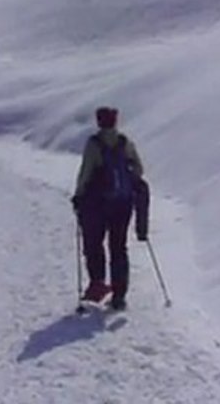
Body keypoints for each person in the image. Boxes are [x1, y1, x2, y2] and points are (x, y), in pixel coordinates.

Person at [72, 106, 148, 311]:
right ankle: (119, 295)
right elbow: (139, 170)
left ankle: (98, 284)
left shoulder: (94, 144)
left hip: (98, 204)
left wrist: (78, 196)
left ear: (99, 122)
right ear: (115, 121)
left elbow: (86, 173)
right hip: (123, 204)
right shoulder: (125, 142)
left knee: (94, 244)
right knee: (119, 247)